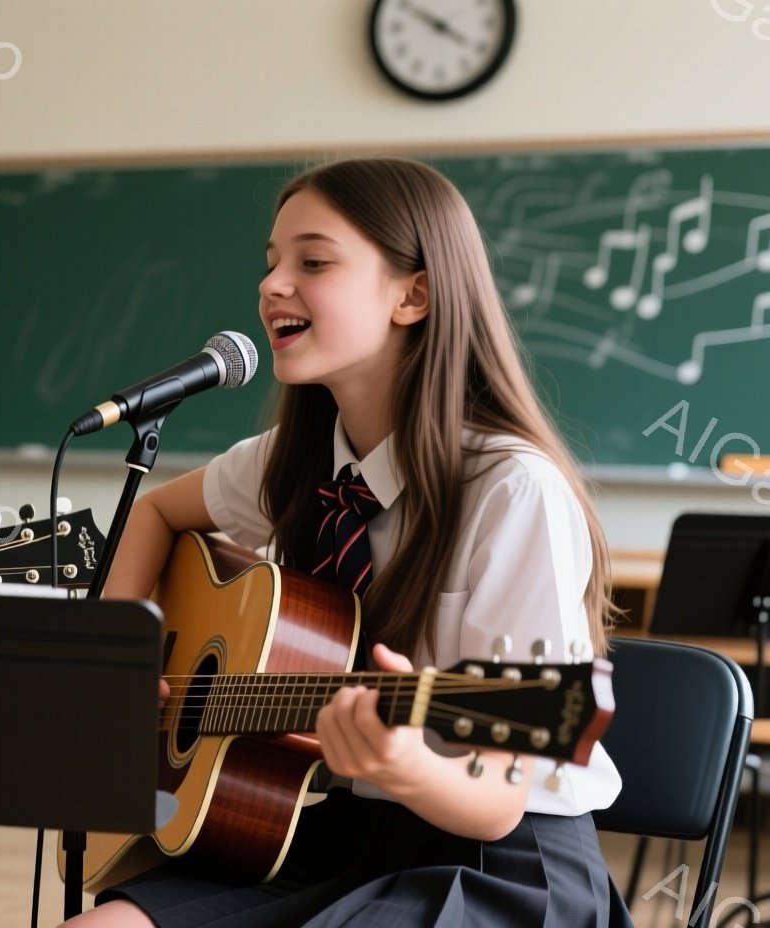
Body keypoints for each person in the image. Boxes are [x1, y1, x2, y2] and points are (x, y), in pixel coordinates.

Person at [62, 158, 629, 928]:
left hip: (501, 861)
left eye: (314, 262)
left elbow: (497, 803)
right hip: (320, 828)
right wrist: (120, 669)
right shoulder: (294, 457)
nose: (271, 286)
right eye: (271, 265)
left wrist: (405, 763)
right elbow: (156, 512)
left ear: (414, 295)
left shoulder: (511, 491)